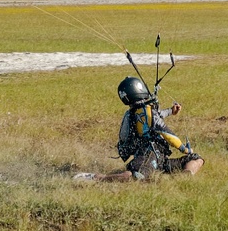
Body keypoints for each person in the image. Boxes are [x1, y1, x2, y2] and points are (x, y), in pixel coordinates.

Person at [74, 76, 204, 182]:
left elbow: (155, 117)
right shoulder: (143, 112)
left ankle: (185, 177)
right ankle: (98, 178)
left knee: (197, 159)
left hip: (160, 158)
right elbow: (166, 132)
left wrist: (171, 111)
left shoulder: (141, 111)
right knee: (136, 177)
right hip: (148, 154)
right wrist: (184, 149)